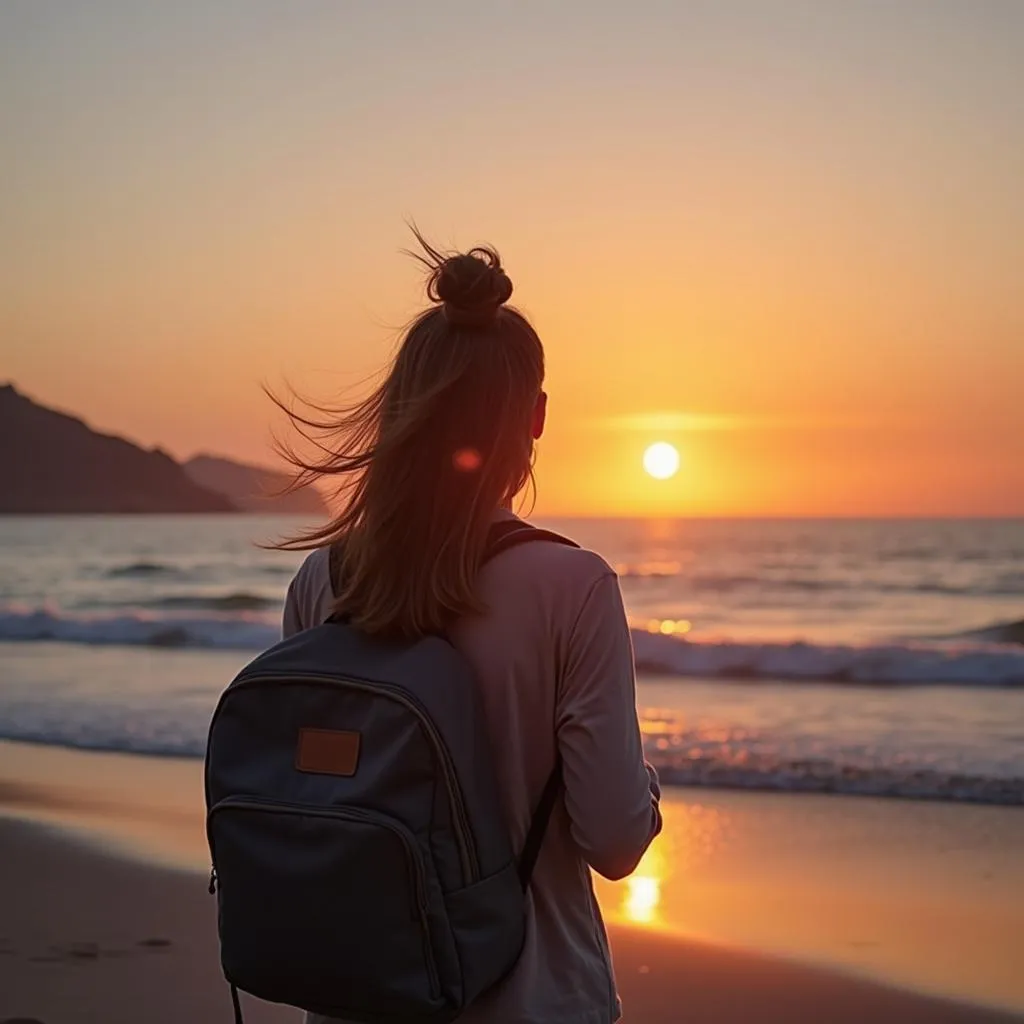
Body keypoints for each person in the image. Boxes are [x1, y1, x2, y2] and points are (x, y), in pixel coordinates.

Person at [276, 234, 662, 1024]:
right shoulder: (573, 586)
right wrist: (646, 790)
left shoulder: (327, 580)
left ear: (400, 410)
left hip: (356, 997)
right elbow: (616, 842)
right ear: (538, 416)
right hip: (534, 999)